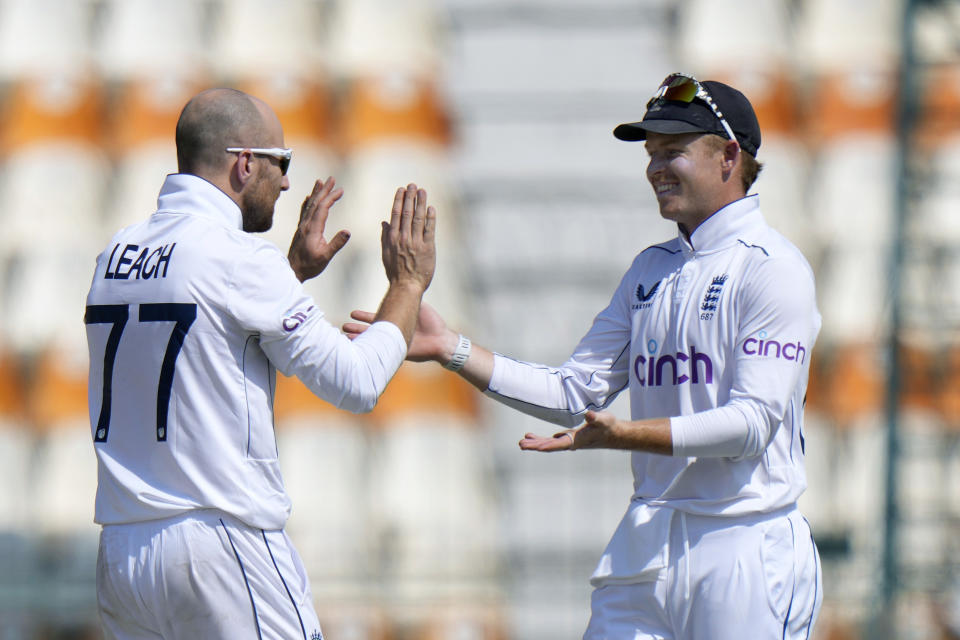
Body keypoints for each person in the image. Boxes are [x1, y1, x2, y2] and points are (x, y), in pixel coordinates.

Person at [346, 73, 822, 639]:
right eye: (651, 154)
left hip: (746, 543)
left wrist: (626, 434)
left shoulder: (772, 267)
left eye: (673, 152)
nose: (655, 168)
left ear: (729, 156)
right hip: (649, 540)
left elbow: (752, 424)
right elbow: (575, 393)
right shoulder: (652, 268)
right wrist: (453, 348)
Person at [84, 88, 436, 640]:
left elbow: (204, 333)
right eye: (282, 162)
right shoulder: (241, 259)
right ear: (245, 163)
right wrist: (407, 285)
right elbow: (358, 382)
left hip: (124, 554)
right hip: (220, 546)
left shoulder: (116, 253)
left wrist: (289, 273)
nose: (289, 181)